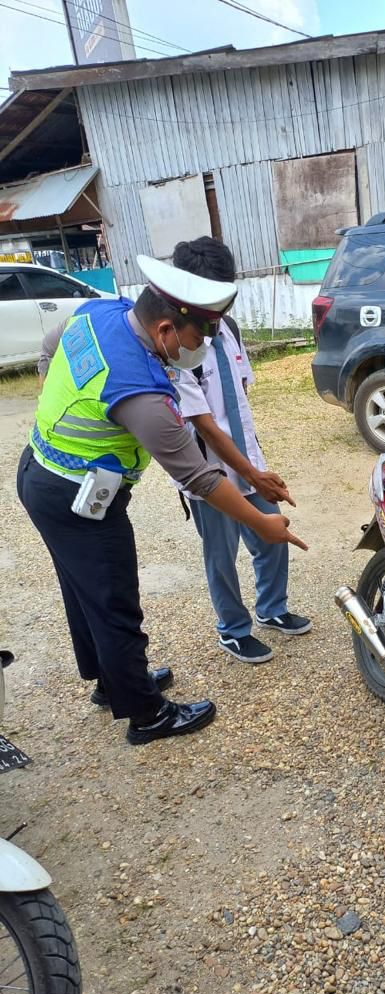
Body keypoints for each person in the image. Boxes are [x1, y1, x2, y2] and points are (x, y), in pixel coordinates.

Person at [20, 255, 307, 746]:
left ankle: (114, 685)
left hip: (44, 473)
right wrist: (263, 525)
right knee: (114, 602)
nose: (203, 347)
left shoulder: (103, 313)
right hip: (76, 498)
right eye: (200, 338)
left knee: (83, 590)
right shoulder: (142, 393)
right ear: (168, 328)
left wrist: (54, 392)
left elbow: (49, 346)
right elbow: (198, 477)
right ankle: (147, 715)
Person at [170, 237, 310, 664]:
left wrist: (255, 464)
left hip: (249, 460)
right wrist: (251, 473)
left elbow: (241, 395)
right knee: (221, 554)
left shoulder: (227, 329)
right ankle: (232, 629)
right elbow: (206, 427)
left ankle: (271, 609)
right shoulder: (176, 346)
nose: (220, 305)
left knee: (273, 532)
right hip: (209, 473)